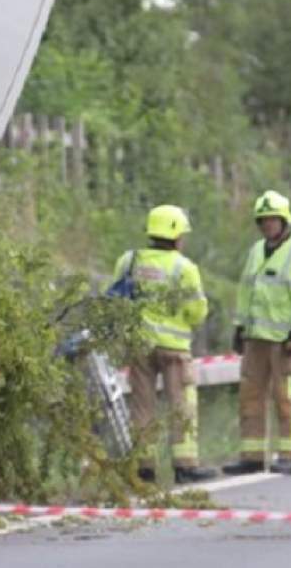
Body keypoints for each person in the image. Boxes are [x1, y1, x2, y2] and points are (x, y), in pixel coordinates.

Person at [112, 204, 218, 484]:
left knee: (141, 407)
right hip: (174, 349)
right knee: (181, 405)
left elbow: (113, 299)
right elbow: (197, 312)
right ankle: (185, 466)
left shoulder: (129, 260)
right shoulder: (184, 268)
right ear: (176, 235)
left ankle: (144, 468)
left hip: (139, 346)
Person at [222, 190, 291, 476]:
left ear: (284, 220)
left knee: (286, 398)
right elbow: (245, 292)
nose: (266, 225)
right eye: (262, 220)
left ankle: (288, 454)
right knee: (249, 396)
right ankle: (252, 456)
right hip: (256, 338)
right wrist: (239, 327)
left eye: (271, 220)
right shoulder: (256, 250)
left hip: (285, 339)